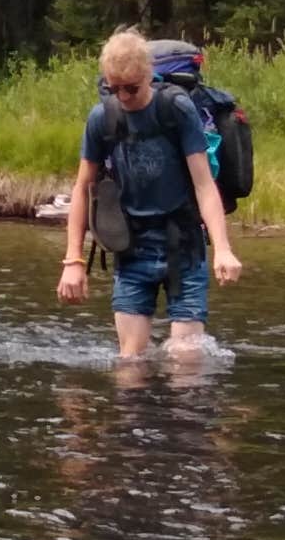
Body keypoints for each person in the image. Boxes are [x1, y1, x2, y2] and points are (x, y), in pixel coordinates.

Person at [59, 25, 244, 360]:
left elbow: (204, 184)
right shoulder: (102, 118)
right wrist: (73, 260)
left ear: (149, 76)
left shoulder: (176, 110)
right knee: (130, 366)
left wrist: (223, 249)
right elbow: (83, 188)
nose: (124, 97)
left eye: (132, 88)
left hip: (184, 245)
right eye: (115, 89)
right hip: (132, 250)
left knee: (186, 364)